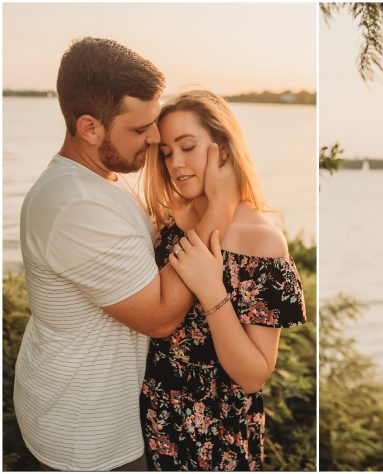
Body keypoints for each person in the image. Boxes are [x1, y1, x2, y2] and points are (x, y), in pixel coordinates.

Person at [14, 37, 236, 471]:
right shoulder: (75, 203)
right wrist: (218, 208)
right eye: (140, 129)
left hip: (96, 409)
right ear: (90, 127)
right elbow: (159, 315)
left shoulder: (103, 178)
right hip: (85, 433)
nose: (155, 138)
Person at [139, 89, 307, 471]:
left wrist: (213, 292)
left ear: (224, 150)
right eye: (166, 152)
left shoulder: (260, 240)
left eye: (187, 147)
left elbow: (252, 375)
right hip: (153, 424)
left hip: (217, 440)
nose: (175, 163)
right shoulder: (166, 223)